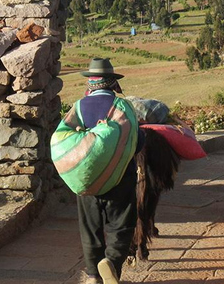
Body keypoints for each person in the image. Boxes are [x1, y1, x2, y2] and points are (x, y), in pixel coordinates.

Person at [73, 57, 144, 284]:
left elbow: (66, 138)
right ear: (112, 83)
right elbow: (137, 140)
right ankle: (111, 262)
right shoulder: (123, 107)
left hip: (87, 179)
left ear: (91, 82)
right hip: (120, 177)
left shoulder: (78, 107)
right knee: (122, 224)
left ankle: (93, 275)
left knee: (90, 227)